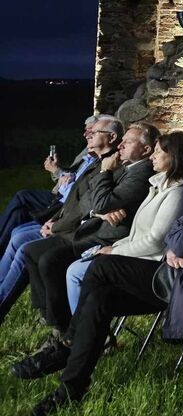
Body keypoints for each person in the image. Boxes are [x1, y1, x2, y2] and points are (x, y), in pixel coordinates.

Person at [19, 124, 183, 414]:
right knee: (100, 298)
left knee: (101, 267)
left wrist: (178, 245)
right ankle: (71, 387)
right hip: (179, 271)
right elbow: (180, 229)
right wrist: (176, 246)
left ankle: (67, 344)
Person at [22, 123, 158, 334]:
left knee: (51, 260)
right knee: (31, 251)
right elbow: (88, 197)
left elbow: (102, 201)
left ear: (146, 150)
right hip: (92, 226)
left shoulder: (139, 172)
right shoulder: (124, 165)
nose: (121, 146)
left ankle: (66, 328)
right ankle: (51, 316)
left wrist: (104, 174)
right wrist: (98, 209)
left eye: (128, 142)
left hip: (107, 236)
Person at [59, 131, 183, 321]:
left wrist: (115, 251)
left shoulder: (179, 193)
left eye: (157, 152)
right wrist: (114, 247)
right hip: (135, 254)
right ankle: (84, 329)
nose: (152, 157)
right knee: (77, 266)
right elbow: (133, 230)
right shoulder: (159, 187)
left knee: (76, 271)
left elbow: (154, 242)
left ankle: (79, 331)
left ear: (174, 156)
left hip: (151, 264)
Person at [0, 116, 123, 322]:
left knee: (24, 246)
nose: (88, 135)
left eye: (94, 132)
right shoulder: (94, 160)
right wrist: (55, 219)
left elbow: (87, 204)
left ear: (112, 137)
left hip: (80, 231)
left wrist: (57, 225)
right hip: (64, 218)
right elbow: (73, 197)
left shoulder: (111, 166)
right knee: (19, 234)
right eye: (88, 131)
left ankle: (48, 316)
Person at [0, 116, 101, 254]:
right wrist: (58, 170)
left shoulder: (100, 158)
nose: (85, 134)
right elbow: (71, 176)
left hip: (63, 202)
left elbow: (78, 186)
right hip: (61, 194)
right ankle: (4, 249)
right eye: (85, 130)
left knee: (23, 196)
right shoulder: (87, 151)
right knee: (18, 214)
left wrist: (56, 171)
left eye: (90, 131)